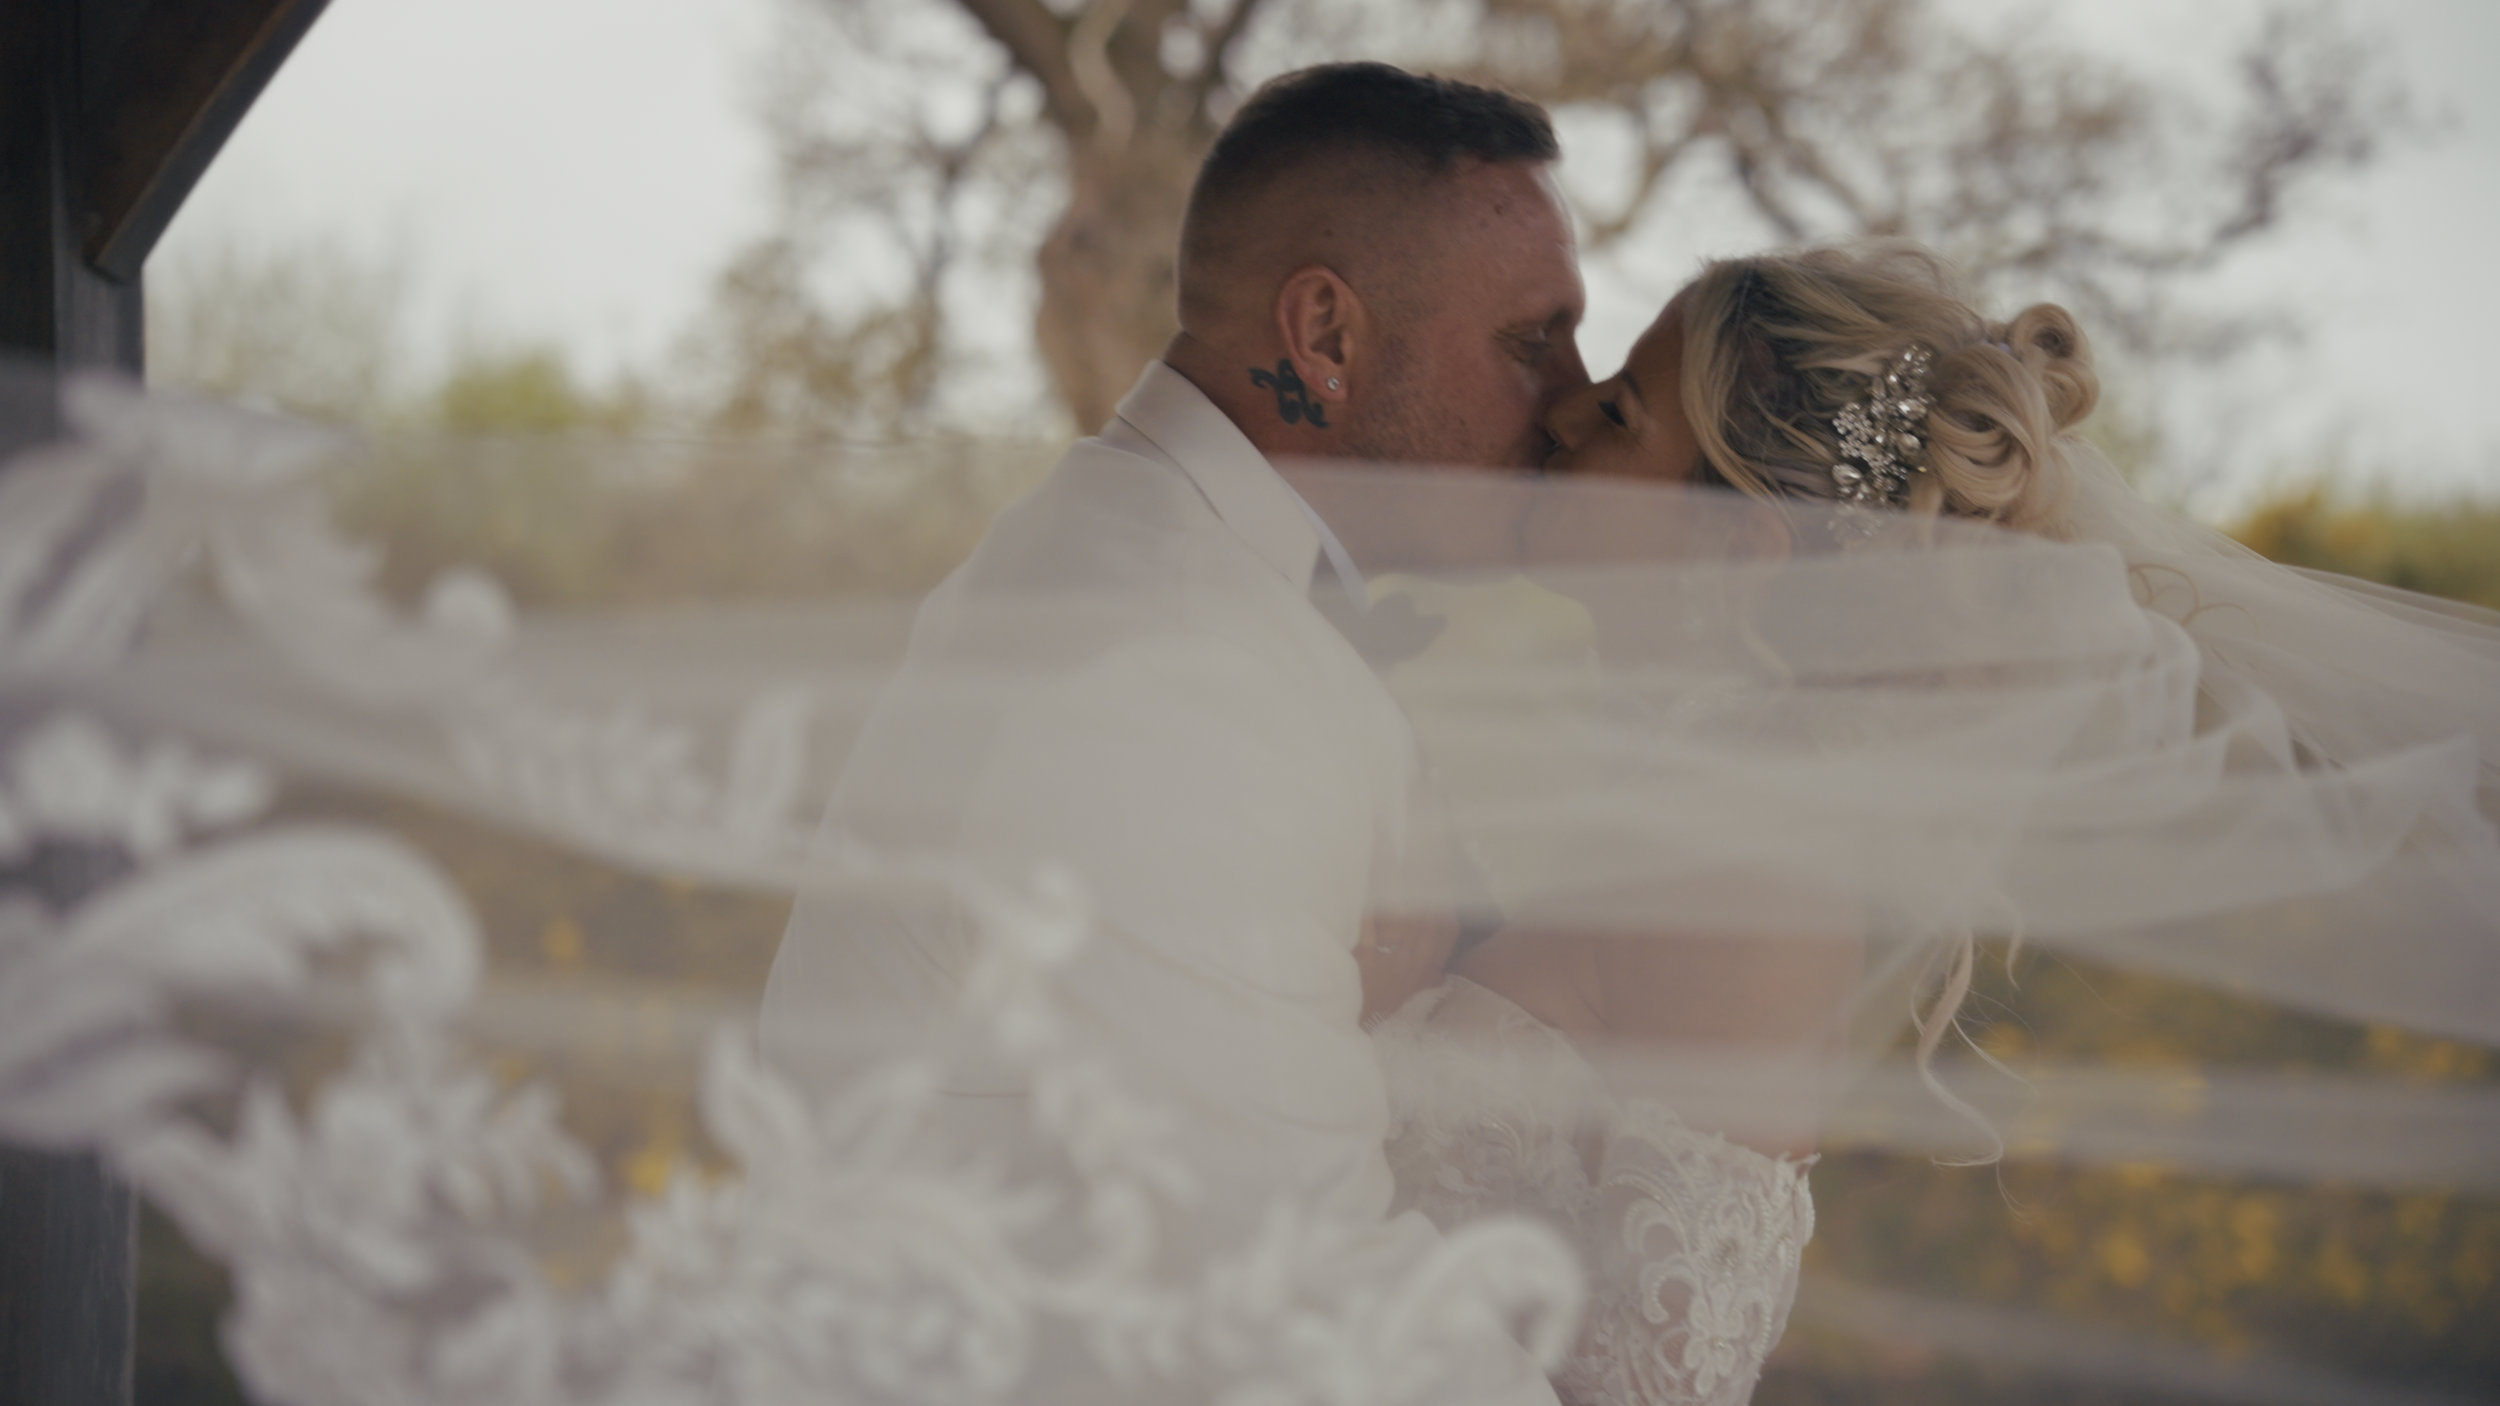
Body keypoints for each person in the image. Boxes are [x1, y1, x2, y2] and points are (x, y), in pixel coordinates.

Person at [1361, 240, 2500, 1406]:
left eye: (1620, 410)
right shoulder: (1678, 819)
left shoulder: (1751, 879)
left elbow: (1648, 1387)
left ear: (1735, 547)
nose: (1562, 415)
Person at [761, 61, 1590, 1404]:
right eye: (1531, 341)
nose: (1574, 401)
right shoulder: (1172, 665)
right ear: (1325, 332)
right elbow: (1293, 1297)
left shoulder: (1150, 566)